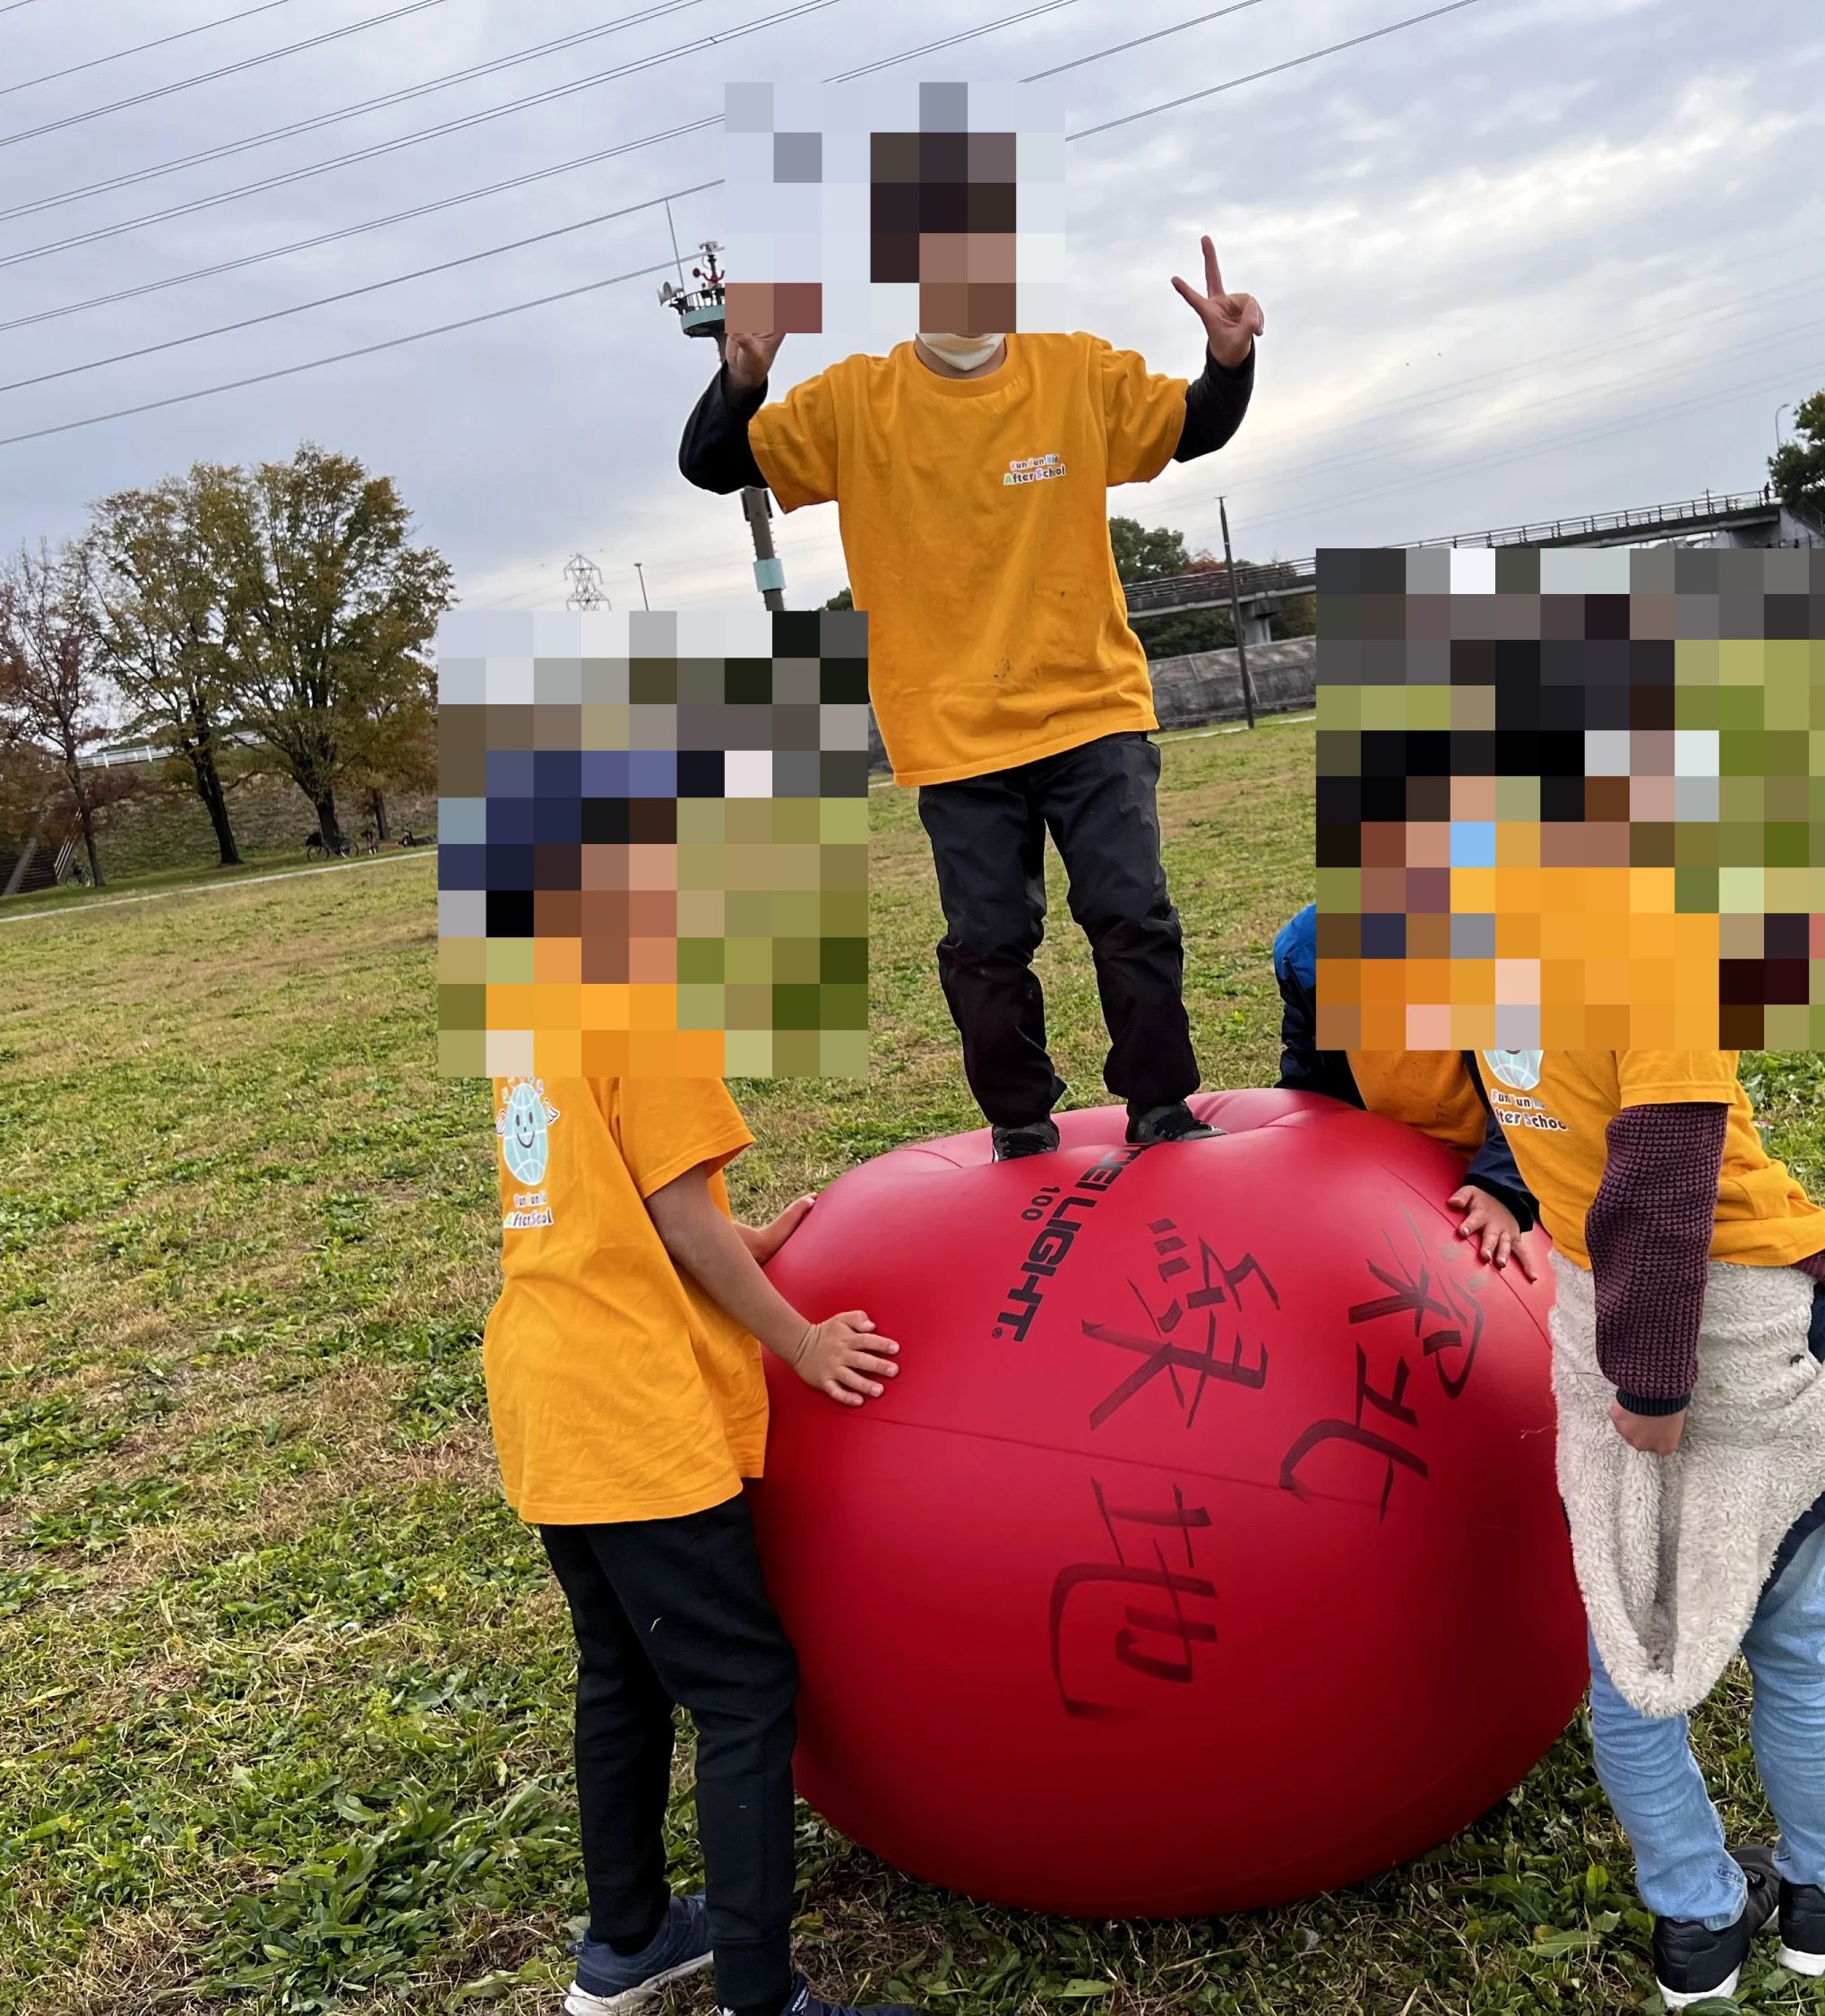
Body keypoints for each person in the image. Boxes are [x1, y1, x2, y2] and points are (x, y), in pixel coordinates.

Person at [682, 237, 1263, 1161]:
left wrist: (1228, 362)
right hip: (952, 729)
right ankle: (1020, 1123)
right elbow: (714, 464)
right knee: (987, 940)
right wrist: (742, 378)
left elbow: (1193, 426)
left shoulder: (1074, 372)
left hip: (1090, 705)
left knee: (1131, 912)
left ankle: (1160, 1105)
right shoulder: (857, 400)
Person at [1485, 875, 1825, 2010]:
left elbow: (1613, 1037)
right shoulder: (1651, 940)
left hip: (1592, 1317)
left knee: (1629, 1645)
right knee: (1797, 1638)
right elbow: (1663, 1164)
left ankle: (1696, 1920)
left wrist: (1791, 943)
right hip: (1731, 1338)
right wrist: (1657, 1382)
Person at [480, 1073, 914, 2016]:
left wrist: (737, 1240)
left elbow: (602, 1195)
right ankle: (758, 1999)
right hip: (632, 1402)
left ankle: (630, 1938)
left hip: (547, 1384)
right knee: (742, 1691)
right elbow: (675, 1217)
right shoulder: (647, 1014)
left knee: (621, 1670)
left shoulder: (531, 1011)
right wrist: (802, 1343)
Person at [1268, 900, 1538, 1277]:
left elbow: (1535, 1090)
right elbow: (1309, 1072)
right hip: (1393, 1172)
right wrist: (1291, 1140)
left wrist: (1503, 1189)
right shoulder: (1309, 954)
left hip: (1503, 1164)